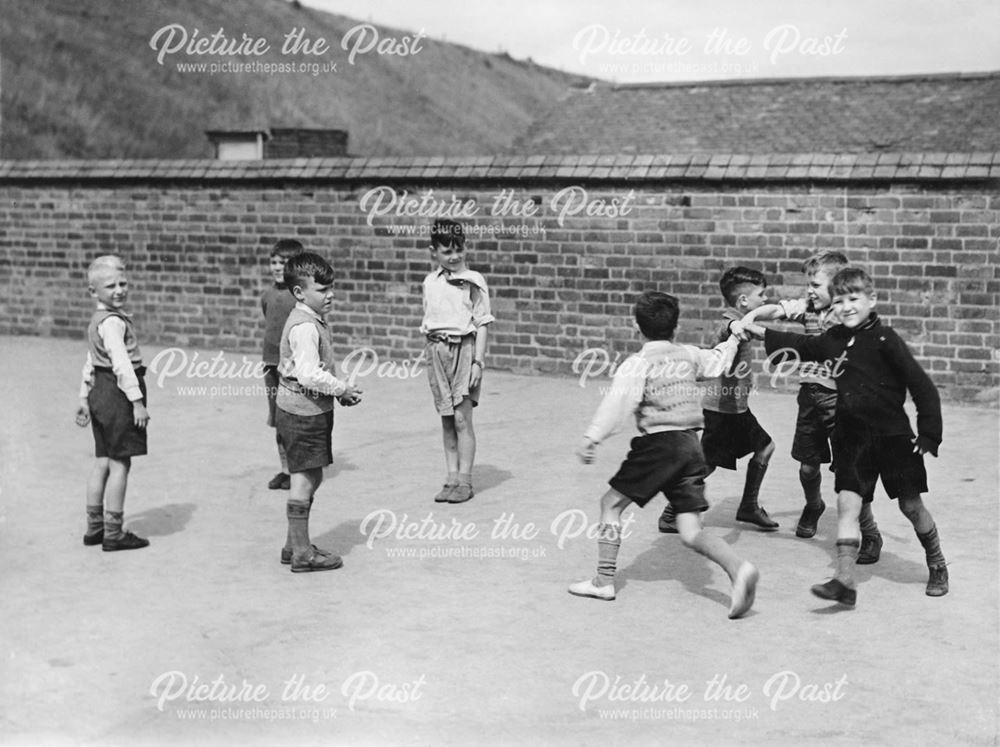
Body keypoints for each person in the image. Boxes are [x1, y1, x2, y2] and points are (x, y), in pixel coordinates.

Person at [755, 267, 947, 605]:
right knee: (849, 504)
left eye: (854, 299)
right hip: (852, 437)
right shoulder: (833, 339)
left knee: (911, 505)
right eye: (840, 300)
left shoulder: (887, 339)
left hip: (893, 436)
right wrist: (751, 330)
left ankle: (937, 562)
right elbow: (797, 343)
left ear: (871, 301)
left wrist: (929, 434)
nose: (846, 306)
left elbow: (922, 387)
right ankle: (844, 579)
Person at [569, 291, 759, 619]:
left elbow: (618, 404)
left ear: (636, 327)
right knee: (690, 529)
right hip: (691, 445)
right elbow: (717, 360)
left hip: (660, 444)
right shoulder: (687, 354)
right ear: (677, 325)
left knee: (610, 504)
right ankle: (737, 568)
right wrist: (734, 338)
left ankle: (603, 580)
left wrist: (593, 437)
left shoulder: (639, 363)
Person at [740, 251, 882, 559]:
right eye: (809, 283)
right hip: (810, 398)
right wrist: (751, 317)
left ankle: (869, 532)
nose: (809, 290)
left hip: (841, 403)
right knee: (807, 466)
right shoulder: (808, 308)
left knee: (851, 473)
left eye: (816, 284)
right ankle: (813, 504)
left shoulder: (847, 318)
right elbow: (777, 310)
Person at [658, 267, 778, 533]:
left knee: (761, 448)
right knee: (709, 463)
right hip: (723, 409)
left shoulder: (745, 317)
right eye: (761, 294)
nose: (765, 298)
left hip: (734, 407)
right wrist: (739, 326)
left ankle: (748, 506)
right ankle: (672, 512)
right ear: (743, 301)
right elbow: (727, 328)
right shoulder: (731, 322)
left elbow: (764, 315)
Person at [274, 252, 362, 573]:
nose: (330, 295)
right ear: (299, 293)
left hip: (301, 410)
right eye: (322, 290)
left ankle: (293, 544)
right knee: (304, 479)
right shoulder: (305, 328)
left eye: (331, 288)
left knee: (312, 475)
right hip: (303, 415)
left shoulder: (307, 320)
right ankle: (301, 554)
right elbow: (309, 374)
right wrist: (341, 388)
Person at [74, 255, 150, 551]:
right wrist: (137, 401)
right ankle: (114, 533)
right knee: (121, 463)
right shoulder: (114, 323)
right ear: (93, 292)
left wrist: (83, 397)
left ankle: (95, 527)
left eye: (123, 283)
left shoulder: (97, 321)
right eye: (110, 286)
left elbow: (90, 362)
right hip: (118, 394)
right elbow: (122, 365)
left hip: (99, 393)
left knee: (102, 460)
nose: (119, 290)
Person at [421, 219, 494, 504]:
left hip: (464, 352)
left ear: (465, 248)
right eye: (446, 251)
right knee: (447, 419)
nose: (453, 256)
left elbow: (483, 323)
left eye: (458, 249)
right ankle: (451, 478)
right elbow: (431, 320)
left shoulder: (474, 280)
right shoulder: (429, 282)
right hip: (437, 352)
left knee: (463, 419)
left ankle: (465, 481)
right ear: (434, 252)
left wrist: (478, 362)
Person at [261, 239, 304, 490]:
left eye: (284, 263)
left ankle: (299, 467)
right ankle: (285, 469)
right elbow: (269, 322)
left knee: (294, 417)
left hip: (294, 367)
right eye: (274, 262)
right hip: (271, 364)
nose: (277, 267)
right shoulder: (267, 295)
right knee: (277, 418)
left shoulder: (298, 297)